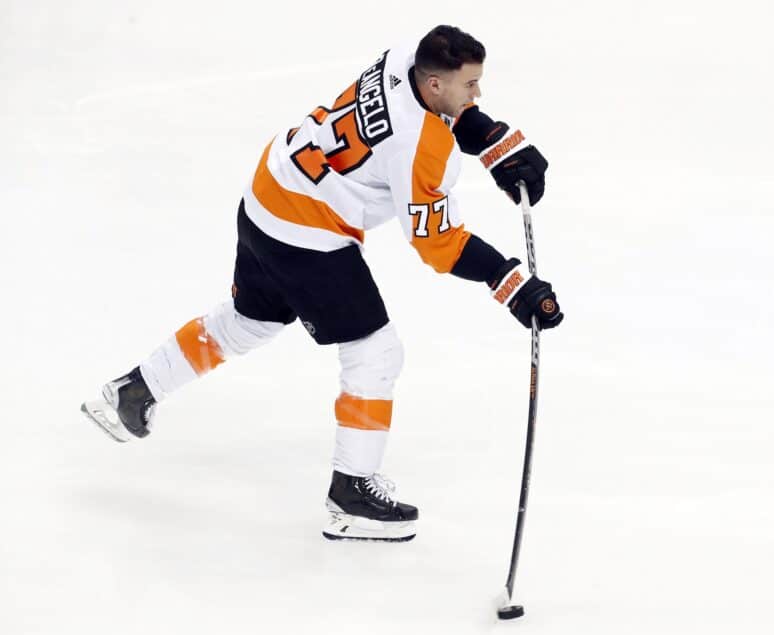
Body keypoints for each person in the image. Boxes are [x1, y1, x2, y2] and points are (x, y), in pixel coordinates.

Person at [80, 25, 563, 543]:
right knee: (376, 353)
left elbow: (440, 111)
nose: (478, 93)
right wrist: (509, 281)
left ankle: (134, 391)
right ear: (435, 85)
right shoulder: (422, 148)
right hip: (306, 234)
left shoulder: (405, 56)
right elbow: (437, 244)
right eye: (470, 85)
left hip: (269, 190)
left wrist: (494, 142)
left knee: (249, 322)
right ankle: (351, 496)